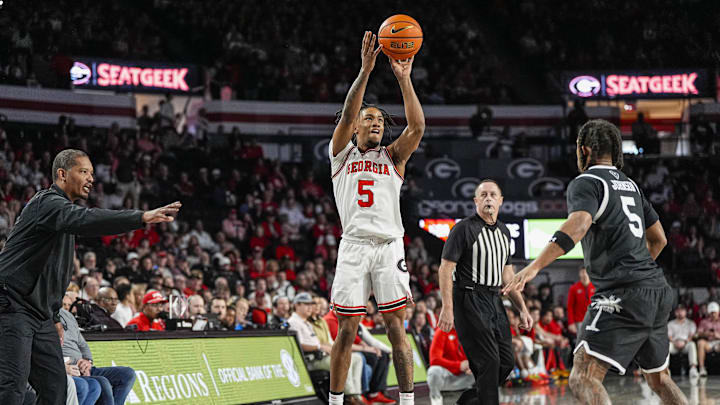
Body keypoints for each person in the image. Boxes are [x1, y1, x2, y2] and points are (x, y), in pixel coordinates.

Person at [504, 119, 687, 404]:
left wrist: (534, 266)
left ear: (585, 150)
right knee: (660, 379)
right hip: (656, 290)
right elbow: (659, 239)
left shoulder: (587, 182)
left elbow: (577, 227)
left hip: (621, 293)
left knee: (582, 378)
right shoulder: (631, 186)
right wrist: (637, 272)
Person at [0, 149, 180, 405]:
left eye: (92, 173)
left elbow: (52, 274)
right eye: (84, 172)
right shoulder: (48, 203)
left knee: (56, 388)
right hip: (12, 306)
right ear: (62, 174)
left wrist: (54, 316)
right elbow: (88, 218)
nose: (91, 179)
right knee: (12, 388)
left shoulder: (62, 216)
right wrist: (140, 217)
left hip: (39, 315)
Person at [328, 31, 425, 405]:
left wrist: (404, 79)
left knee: (396, 328)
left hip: (388, 247)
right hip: (353, 247)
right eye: (368, 119)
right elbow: (350, 111)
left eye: (380, 121)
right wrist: (366, 70)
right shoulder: (340, 155)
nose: (375, 124)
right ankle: (337, 402)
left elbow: (416, 128)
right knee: (347, 329)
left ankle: (406, 400)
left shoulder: (394, 157)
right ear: (354, 127)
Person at [437, 179, 532, 405]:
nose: (488, 198)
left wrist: (523, 309)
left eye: (493, 195)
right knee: (489, 361)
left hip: (494, 299)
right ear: (476, 201)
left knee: (506, 362)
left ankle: (469, 401)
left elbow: (507, 277)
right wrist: (447, 308)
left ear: (500, 201)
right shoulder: (463, 229)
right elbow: (445, 268)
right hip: (468, 298)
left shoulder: (504, 232)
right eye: (484, 195)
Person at [60, 295, 136, 405]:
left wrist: (87, 361)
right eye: (63, 304)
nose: (66, 307)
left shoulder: (69, 317)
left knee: (128, 374)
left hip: (82, 366)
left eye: (68, 305)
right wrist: (62, 366)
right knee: (101, 383)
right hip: (67, 367)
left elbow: (83, 345)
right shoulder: (44, 317)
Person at [427, 326, 474, 405]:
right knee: (433, 371)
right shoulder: (442, 331)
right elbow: (434, 359)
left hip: (465, 376)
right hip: (447, 374)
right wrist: (459, 365)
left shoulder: (471, 332)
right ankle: (436, 399)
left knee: (485, 369)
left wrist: (473, 366)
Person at [667, 304, 698, 378]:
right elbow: (669, 336)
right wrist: (674, 343)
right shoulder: (670, 324)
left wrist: (685, 342)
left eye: (682, 310)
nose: (680, 312)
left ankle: (693, 368)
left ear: (686, 312)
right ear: (675, 312)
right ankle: (666, 369)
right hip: (674, 344)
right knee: (667, 345)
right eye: (678, 311)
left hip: (685, 344)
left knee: (692, 344)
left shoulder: (691, 323)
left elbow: (691, 335)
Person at [566, 266, 595, 336]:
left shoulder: (595, 287)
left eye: (586, 272)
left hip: (593, 320)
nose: (584, 274)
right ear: (579, 274)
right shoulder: (574, 288)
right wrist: (571, 323)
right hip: (579, 321)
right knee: (581, 342)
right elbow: (570, 306)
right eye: (582, 272)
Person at [697, 301, 720, 377]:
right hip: (708, 343)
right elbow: (698, 333)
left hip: (719, 342)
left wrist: (718, 335)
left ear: (718, 312)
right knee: (700, 342)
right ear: (709, 313)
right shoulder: (704, 322)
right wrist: (705, 334)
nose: (713, 314)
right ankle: (702, 368)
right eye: (711, 313)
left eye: (714, 313)